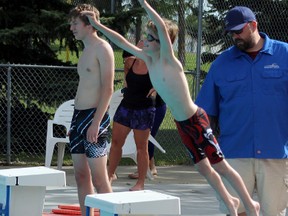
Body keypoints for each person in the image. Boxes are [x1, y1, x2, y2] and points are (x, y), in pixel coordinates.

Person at [82, 1, 260, 215]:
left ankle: (250, 204)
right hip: (181, 124)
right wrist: (97, 25)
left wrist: (144, 3)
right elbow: (120, 41)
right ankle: (230, 202)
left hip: (196, 119)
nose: (144, 41)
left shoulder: (169, 60)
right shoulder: (148, 59)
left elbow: (160, 25)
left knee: (220, 166)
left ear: (164, 42)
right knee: (203, 168)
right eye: (145, 37)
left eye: (150, 38)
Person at [196, 6, 288, 216]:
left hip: (276, 153)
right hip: (234, 153)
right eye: (231, 33)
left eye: (239, 31)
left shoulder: (285, 55)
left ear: (253, 25)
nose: (235, 37)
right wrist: (205, 149)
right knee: (235, 210)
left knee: (274, 212)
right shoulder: (221, 64)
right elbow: (205, 112)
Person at [68, 4, 114, 216]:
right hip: (78, 118)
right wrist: (74, 122)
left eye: (75, 23)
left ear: (89, 24)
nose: (72, 28)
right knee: (80, 176)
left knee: (99, 179)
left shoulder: (103, 48)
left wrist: (96, 123)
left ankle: (109, 214)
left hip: (95, 118)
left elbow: (108, 88)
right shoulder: (86, 50)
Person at [109, 39, 156, 191]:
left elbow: (169, 78)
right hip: (126, 107)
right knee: (116, 143)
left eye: (145, 43)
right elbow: (126, 78)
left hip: (144, 110)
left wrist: (157, 87)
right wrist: (126, 85)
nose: (141, 44)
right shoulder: (130, 62)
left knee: (141, 147)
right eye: (139, 43)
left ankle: (140, 183)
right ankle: (109, 176)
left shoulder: (155, 65)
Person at [122, 44, 167, 180]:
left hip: (156, 106)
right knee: (140, 137)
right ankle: (147, 167)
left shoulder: (152, 64)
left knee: (148, 136)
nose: (128, 62)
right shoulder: (131, 66)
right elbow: (127, 85)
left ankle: (150, 168)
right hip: (138, 106)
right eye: (126, 60)